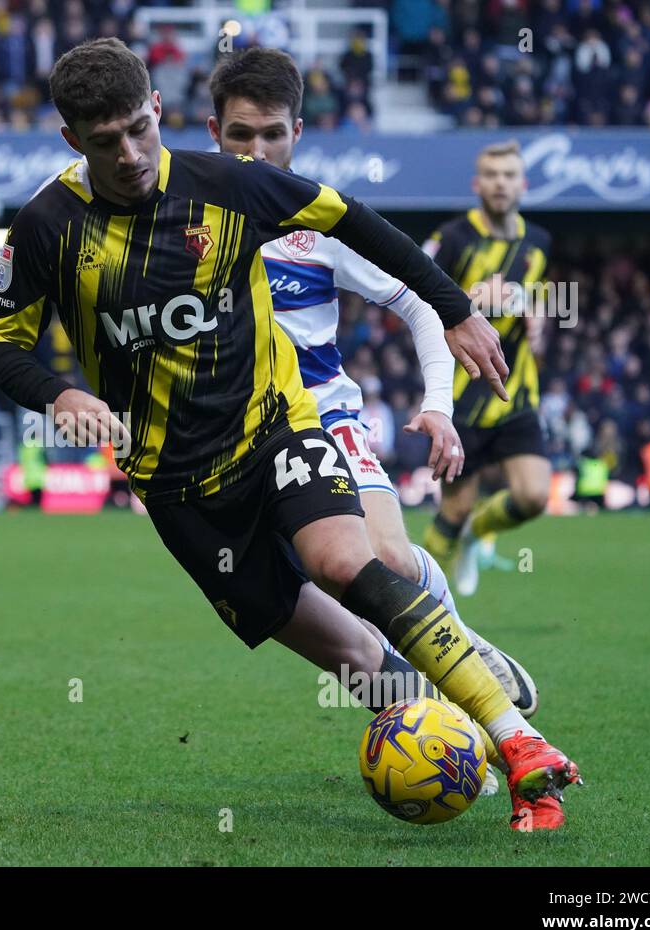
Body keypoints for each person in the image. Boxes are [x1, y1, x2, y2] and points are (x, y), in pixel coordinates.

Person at [0, 39, 579, 830]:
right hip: (179, 489)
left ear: (158, 108)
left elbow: (359, 223)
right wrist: (58, 395)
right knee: (357, 660)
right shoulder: (48, 227)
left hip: (280, 426)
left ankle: (519, 742)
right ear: (71, 142)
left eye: (137, 129)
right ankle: (455, 727)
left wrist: (457, 311)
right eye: (103, 141)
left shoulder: (232, 185)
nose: (128, 155)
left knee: (350, 559)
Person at [203, 48, 540, 737]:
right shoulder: (183, 224)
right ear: (214, 133)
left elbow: (422, 304)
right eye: (241, 135)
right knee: (327, 598)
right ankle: (429, 719)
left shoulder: (323, 222)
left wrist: (438, 406)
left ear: (298, 132)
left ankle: (456, 645)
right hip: (235, 438)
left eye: (273, 133)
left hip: (324, 414)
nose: (258, 151)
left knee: (380, 561)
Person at [421, 141, 554, 597]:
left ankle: (479, 530)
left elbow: (537, 301)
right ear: (478, 184)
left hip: (515, 391)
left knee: (535, 495)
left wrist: (538, 319)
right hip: (460, 393)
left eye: (509, 175)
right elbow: (415, 300)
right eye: (492, 175)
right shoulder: (453, 238)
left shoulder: (539, 243)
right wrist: (473, 300)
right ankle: (416, 604)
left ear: (523, 183)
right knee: (450, 514)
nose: (501, 183)